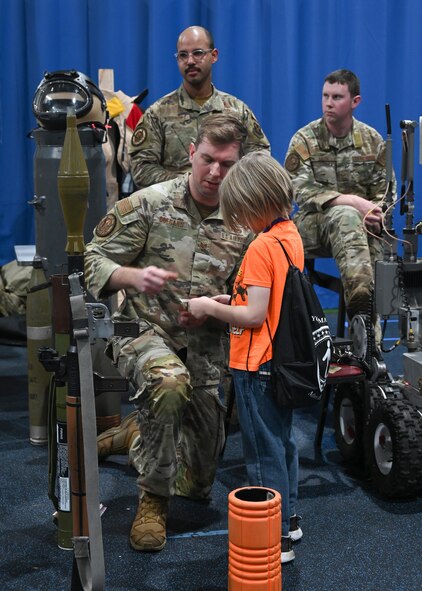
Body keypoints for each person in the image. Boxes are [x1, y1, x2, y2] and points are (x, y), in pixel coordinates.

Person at [84, 114, 253, 552]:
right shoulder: (149, 202)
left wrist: (217, 310)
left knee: (196, 486)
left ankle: (135, 433)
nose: (216, 173)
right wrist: (129, 277)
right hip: (143, 328)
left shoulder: (246, 222)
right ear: (191, 154)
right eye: (209, 160)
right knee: (168, 383)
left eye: (228, 164)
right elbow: (93, 258)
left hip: (207, 342)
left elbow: (254, 301)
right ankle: (152, 503)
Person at [188, 151, 304, 564]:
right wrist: (230, 297)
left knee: (260, 453)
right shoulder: (289, 234)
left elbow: (254, 315)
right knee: (282, 443)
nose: (238, 222)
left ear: (255, 204)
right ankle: (288, 519)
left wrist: (208, 306)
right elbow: (267, 299)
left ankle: (273, 541)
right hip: (282, 363)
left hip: (256, 366)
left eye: (240, 212)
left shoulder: (260, 247)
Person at [284, 69, 391, 322]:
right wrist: (352, 202)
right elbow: (301, 192)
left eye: (337, 97)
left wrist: (376, 213)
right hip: (311, 228)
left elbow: (386, 192)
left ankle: (367, 338)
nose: (328, 103)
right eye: (325, 96)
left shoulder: (372, 140)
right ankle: (361, 305)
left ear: (355, 101)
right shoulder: (305, 139)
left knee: (373, 243)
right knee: (346, 214)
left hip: (360, 229)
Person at [129, 25, 270, 190]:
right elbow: (141, 168)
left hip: (227, 205)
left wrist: (228, 182)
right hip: (174, 208)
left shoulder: (237, 111)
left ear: (214, 55)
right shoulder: (157, 113)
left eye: (198, 53)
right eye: (183, 55)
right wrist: (190, 183)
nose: (190, 61)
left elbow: (260, 159)